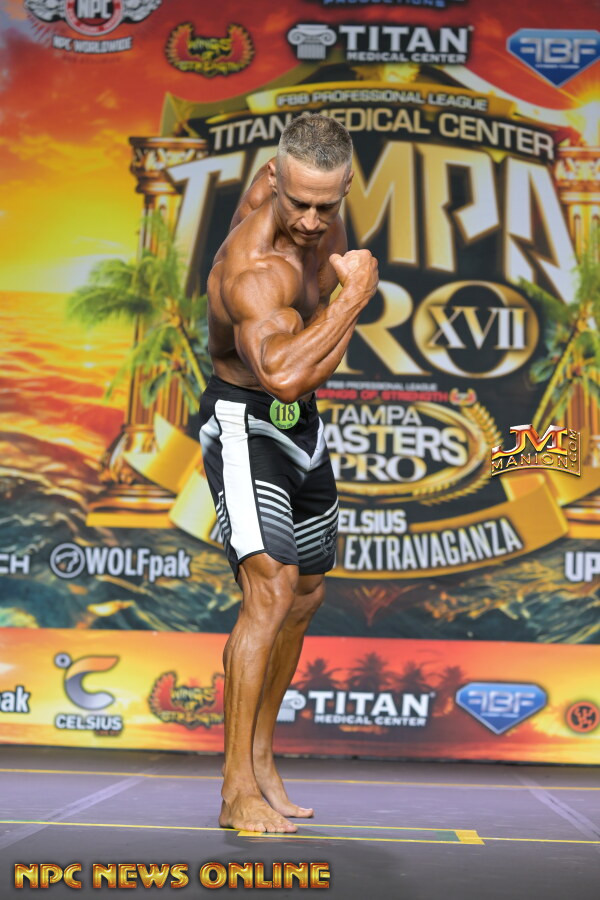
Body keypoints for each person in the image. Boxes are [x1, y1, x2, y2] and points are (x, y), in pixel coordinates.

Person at [199, 113, 379, 834]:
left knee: (305, 594)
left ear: (344, 188)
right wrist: (351, 299)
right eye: (298, 202)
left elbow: (310, 374)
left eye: (325, 206)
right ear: (272, 179)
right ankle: (234, 788)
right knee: (269, 590)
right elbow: (281, 376)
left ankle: (262, 759)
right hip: (246, 420)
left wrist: (328, 322)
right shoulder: (252, 267)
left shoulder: (317, 215)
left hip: (301, 426)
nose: (310, 221)